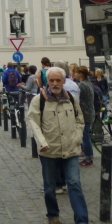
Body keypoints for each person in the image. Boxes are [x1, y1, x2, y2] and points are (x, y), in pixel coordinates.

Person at [27, 67, 88, 224]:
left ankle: (82, 220)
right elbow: (34, 123)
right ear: (47, 81)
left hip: (71, 149)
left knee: (74, 183)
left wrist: (77, 138)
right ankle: (53, 216)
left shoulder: (71, 99)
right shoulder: (39, 100)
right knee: (50, 187)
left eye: (58, 80)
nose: (54, 83)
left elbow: (80, 120)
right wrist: (42, 143)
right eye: (51, 80)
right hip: (49, 150)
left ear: (63, 81)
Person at [73, 66, 95, 168]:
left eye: (76, 73)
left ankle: (88, 158)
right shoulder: (88, 83)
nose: (74, 74)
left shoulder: (82, 85)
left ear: (81, 74)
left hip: (85, 113)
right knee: (86, 135)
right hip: (89, 112)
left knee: (85, 137)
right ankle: (86, 154)